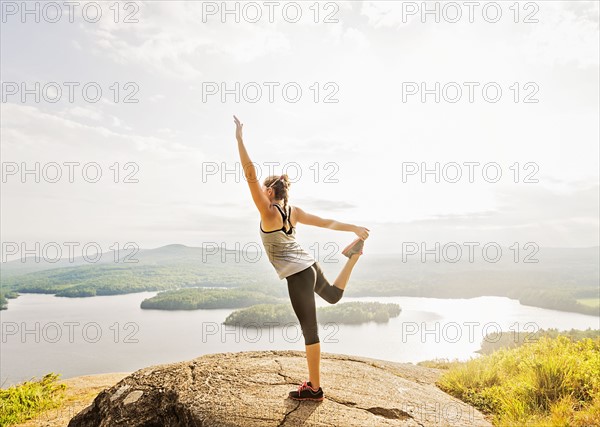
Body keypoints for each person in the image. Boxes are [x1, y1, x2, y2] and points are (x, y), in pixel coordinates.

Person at [233, 115, 369, 401]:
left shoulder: (268, 211)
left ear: (270, 192)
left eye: (263, 191)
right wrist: (353, 228)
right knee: (332, 296)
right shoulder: (294, 212)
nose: (259, 193)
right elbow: (326, 222)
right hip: (309, 265)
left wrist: (240, 140)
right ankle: (352, 257)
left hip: (298, 273)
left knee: (310, 329)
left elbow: (249, 173)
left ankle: (314, 388)